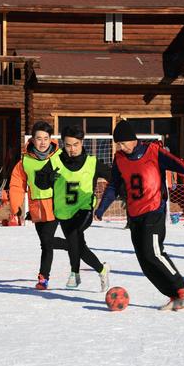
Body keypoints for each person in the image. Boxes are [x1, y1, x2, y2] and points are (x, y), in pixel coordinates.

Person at [95, 120, 184, 311]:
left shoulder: (153, 151)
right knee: (144, 260)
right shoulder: (119, 158)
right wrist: (101, 209)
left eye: (122, 143)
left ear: (132, 140)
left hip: (154, 210)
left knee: (153, 252)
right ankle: (173, 295)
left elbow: (178, 164)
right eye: (118, 144)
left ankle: (182, 289)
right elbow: (113, 185)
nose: (120, 147)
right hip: (134, 214)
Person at [35, 125, 111, 290]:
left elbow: (115, 179)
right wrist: (48, 178)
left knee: (74, 235)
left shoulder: (92, 162)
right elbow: (38, 182)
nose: (72, 149)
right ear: (63, 144)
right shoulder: (54, 161)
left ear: (82, 142)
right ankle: (102, 269)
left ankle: (74, 274)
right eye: (68, 145)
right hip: (63, 213)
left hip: (84, 210)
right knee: (79, 247)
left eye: (76, 144)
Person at [9, 121, 62, 290]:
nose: (43, 142)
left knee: (47, 242)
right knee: (45, 243)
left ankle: (43, 277)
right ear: (32, 139)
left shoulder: (60, 157)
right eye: (39, 138)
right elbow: (17, 185)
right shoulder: (24, 161)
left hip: (56, 206)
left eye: (46, 138)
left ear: (50, 139)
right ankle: (75, 247)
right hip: (36, 209)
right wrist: (16, 206)